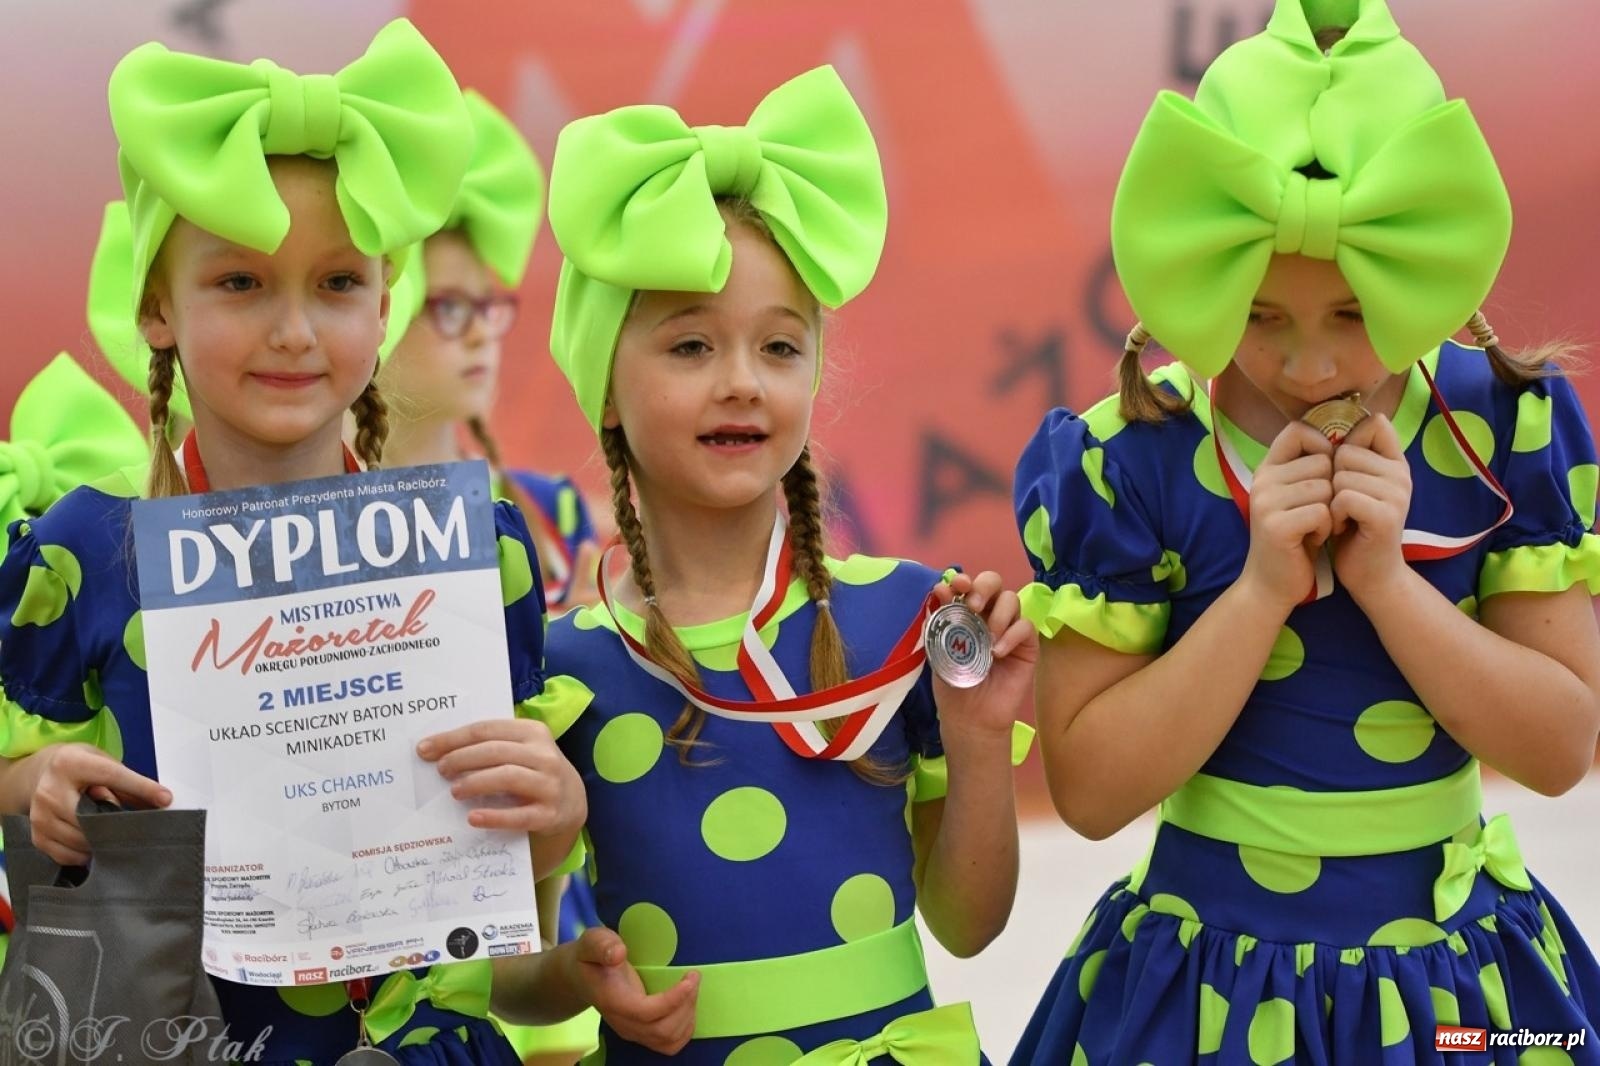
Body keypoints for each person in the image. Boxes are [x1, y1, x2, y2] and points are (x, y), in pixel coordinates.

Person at [1010, 1, 1600, 1062]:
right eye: (1263, 316)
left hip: (1457, 994)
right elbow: (1090, 794)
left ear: (1422, 280)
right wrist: (1256, 594)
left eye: (1352, 315)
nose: (1312, 368)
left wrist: (1388, 585)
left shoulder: (1501, 425)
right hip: (1206, 992)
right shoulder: (1129, 455)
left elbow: (1560, 748)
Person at [0, 21, 584, 1063]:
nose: (294, 330)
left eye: (336, 283)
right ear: (154, 308)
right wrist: (39, 788)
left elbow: (514, 925)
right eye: (240, 282)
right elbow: (15, 782)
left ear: (384, 302)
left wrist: (554, 813)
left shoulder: (469, 554)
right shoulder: (87, 549)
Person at [490, 66, 1037, 1063]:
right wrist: (581, 975)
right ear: (603, 383)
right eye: (691, 345)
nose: (741, 382)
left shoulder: (908, 617)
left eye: (779, 348)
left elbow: (967, 923)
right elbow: (507, 983)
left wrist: (976, 734)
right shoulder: (561, 668)